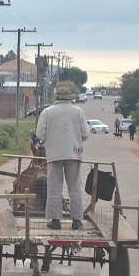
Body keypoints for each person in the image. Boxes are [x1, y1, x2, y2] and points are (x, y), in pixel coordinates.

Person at [35, 86, 89, 230]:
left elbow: (40, 134)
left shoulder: (47, 112)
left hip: (54, 154)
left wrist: (51, 138)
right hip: (74, 153)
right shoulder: (78, 112)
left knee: (54, 189)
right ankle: (77, 221)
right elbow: (85, 134)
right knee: (75, 189)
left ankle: (55, 221)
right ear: (70, 97)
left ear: (56, 97)